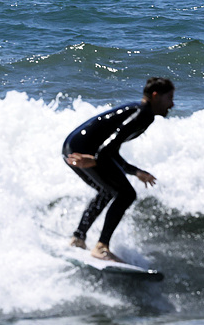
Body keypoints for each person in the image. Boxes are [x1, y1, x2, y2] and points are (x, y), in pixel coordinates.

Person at [62, 77, 174, 262]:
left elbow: (110, 149)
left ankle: (78, 238)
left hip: (73, 146)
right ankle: (101, 246)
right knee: (126, 194)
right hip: (83, 150)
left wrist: (135, 172)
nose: (172, 104)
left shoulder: (140, 111)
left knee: (107, 191)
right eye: (169, 97)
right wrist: (94, 159)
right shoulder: (143, 113)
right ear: (155, 96)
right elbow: (109, 146)